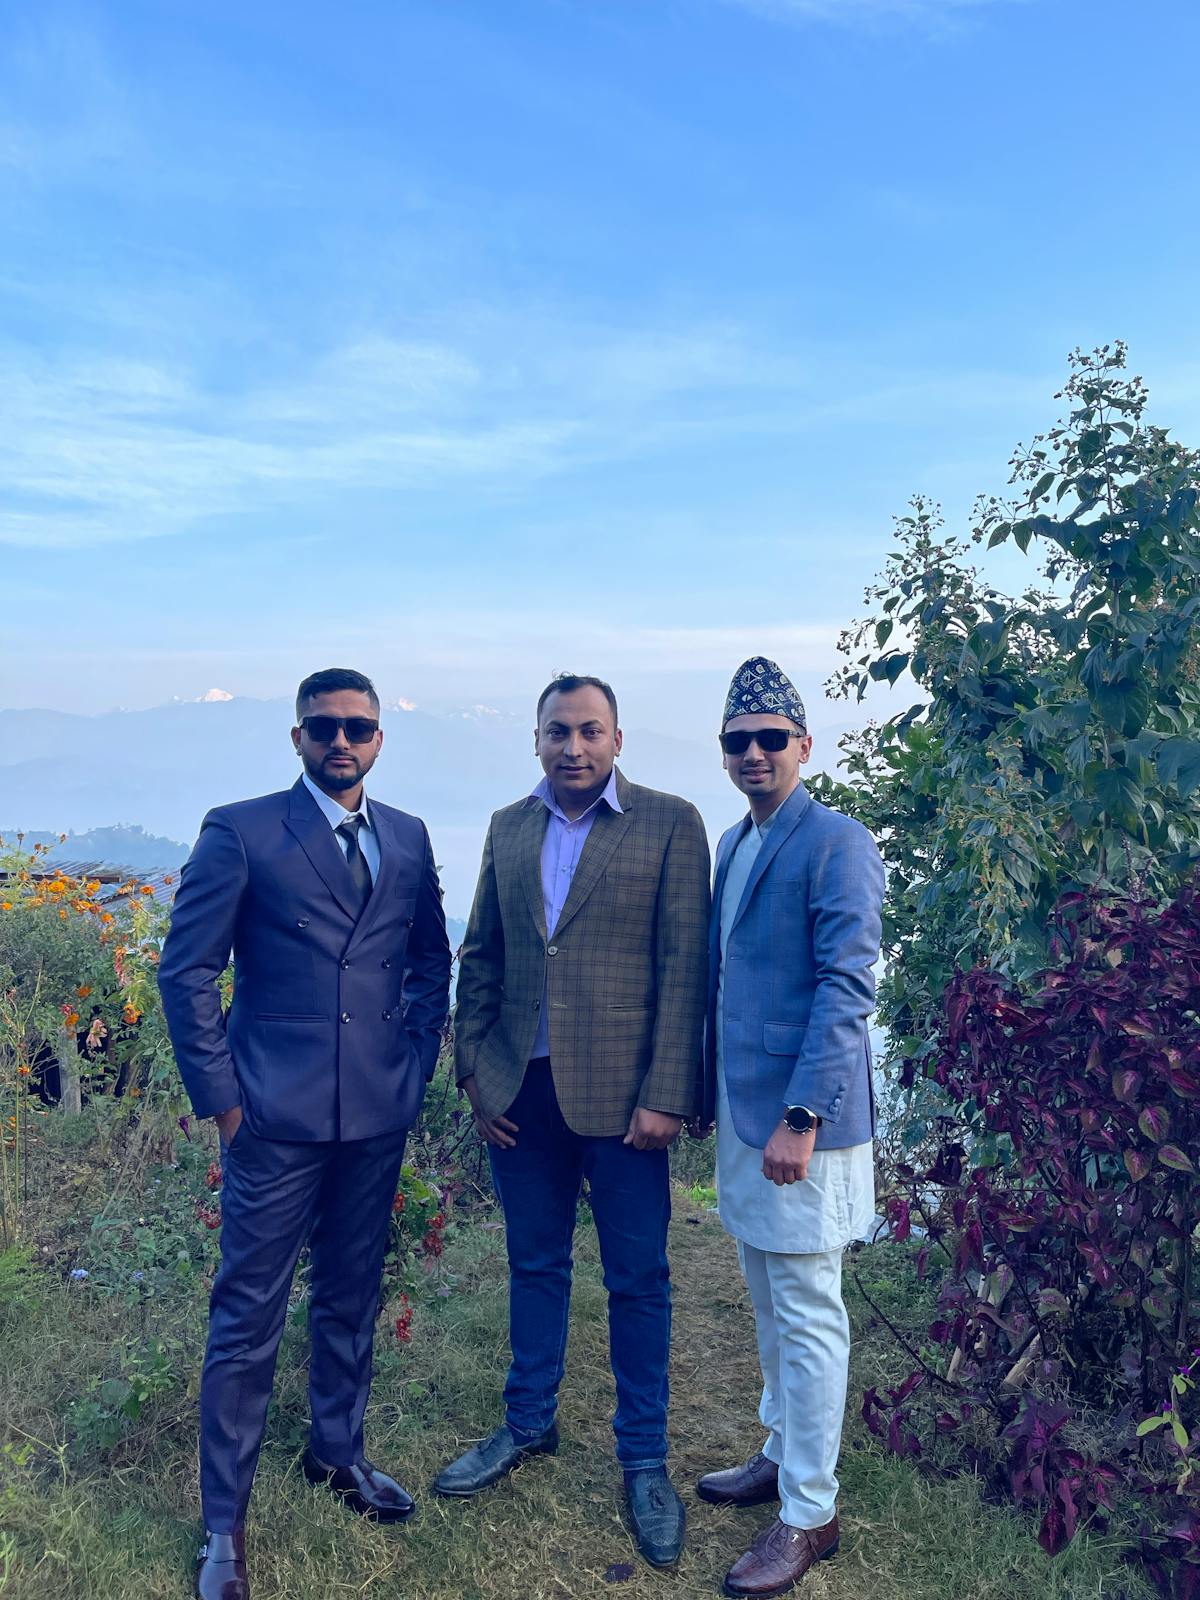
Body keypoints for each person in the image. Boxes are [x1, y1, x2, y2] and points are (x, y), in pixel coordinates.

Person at [158, 667, 450, 1600]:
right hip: (272, 1120)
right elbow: (187, 972)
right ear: (296, 738)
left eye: (358, 728)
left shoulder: (406, 837)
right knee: (247, 1317)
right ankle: (223, 1526)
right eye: (323, 726)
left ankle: (338, 1452)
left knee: (352, 1295)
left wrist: (413, 1063)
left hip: (375, 1117)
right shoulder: (240, 830)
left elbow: (429, 963)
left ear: (378, 739)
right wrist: (225, 1101)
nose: (341, 741)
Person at [435, 672, 710, 1568]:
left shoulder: (670, 824)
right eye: (559, 731)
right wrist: (475, 1071)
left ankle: (643, 1458)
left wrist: (669, 1091)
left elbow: (684, 971)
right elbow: (483, 954)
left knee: (638, 1279)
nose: (575, 747)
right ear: (537, 740)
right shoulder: (507, 827)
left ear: (619, 739)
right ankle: (527, 1424)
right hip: (524, 1094)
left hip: (628, 1103)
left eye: (591, 731)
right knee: (534, 1265)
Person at [695, 657, 884, 1599]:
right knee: (767, 1297)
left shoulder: (837, 843)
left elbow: (848, 987)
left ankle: (810, 1513)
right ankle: (779, 1450)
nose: (756, 753)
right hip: (744, 1111)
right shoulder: (735, 844)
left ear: (805, 747)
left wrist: (803, 1117)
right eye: (740, 741)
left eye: (773, 738)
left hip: (805, 1122)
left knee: (809, 1310)